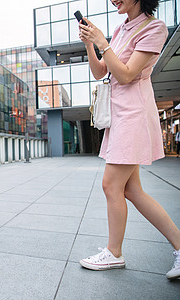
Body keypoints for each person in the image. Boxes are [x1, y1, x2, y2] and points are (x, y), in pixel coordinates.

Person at [77, 0, 180, 279]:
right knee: (132, 191)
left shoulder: (154, 28)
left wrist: (103, 43)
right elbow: (102, 72)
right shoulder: (121, 28)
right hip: (119, 115)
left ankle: (114, 253)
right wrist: (90, 42)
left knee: (111, 185)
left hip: (133, 114)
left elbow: (126, 75)